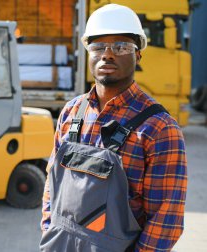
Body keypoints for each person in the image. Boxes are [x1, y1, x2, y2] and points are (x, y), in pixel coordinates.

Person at [40, 4, 187, 252]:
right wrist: (48, 230)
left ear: (138, 55)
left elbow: (166, 218)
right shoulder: (72, 112)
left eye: (120, 47)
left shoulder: (158, 128)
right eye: (98, 47)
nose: (107, 54)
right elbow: (51, 183)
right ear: (88, 52)